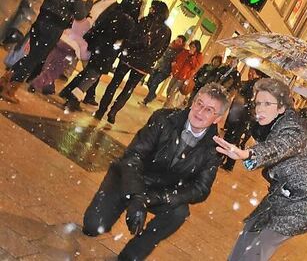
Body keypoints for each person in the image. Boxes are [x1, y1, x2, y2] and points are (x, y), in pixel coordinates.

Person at [82, 83, 229, 260]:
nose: (200, 112)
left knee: (179, 212)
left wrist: (154, 198)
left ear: (217, 118)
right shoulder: (164, 119)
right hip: (128, 177)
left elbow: (201, 188)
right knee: (92, 226)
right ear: (192, 102)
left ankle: (132, 254)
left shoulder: (214, 149)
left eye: (209, 110)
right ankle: (115, 207)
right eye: (199, 103)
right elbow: (133, 156)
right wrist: (136, 197)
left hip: (160, 191)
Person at [213, 78, 307, 261]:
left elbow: (279, 146)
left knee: (260, 247)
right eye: (258, 103)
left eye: (268, 103)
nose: (260, 108)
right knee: (251, 228)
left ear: (282, 108)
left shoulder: (294, 129)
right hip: (285, 192)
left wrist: (248, 154)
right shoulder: (274, 123)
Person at [0, 0, 95, 103]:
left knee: (30, 54)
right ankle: (10, 88)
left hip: (40, 19)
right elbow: (80, 15)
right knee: (34, 59)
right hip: (54, 27)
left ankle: (6, 79)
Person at [60, 0, 142, 112]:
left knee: (89, 72)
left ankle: (69, 92)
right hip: (107, 52)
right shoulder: (129, 22)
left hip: (97, 46)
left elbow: (99, 26)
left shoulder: (114, 13)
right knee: (92, 76)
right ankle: (73, 98)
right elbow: (123, 40)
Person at [94, 0, 171, 123]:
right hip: (143, 65)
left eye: (153, 8)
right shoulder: (166, 31)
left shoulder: (145, 21)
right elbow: (161, 51)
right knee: (128, 88)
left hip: (129, 58)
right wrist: (150, 58)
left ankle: (101, 110)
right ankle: (113, 112)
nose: (150, 9)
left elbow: (132, 37)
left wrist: (127, 47)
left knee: (114, 83)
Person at [141, 35, 186, 105]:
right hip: (158, 66)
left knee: (154, 83)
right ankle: (152, 95)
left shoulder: (180, 52)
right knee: (149, 82)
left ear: (182, 43)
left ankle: (146, 100)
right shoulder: (169, 45)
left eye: (179, 41)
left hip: (166, 70)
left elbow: (177, 61)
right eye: (177, 40)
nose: (177, 42)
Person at [164, 40, 203, 108]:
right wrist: (174, 67)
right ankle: (169, 105)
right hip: (176, 74)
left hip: (184, 77)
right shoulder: (185, 52)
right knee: (169, 89)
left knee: (173, 91)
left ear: (197, 48)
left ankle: (166, 107)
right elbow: (176, 60)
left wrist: (193, 56)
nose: (192, 48)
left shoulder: (198, 56)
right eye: (191, 46)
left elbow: (195, 66)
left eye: (194, 47)